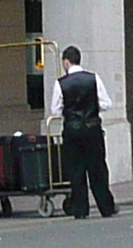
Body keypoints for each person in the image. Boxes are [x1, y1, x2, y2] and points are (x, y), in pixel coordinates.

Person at [48, 45, 116, 218]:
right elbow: (106, 104)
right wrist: (92, 107)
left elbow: (55, 110)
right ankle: (106, 207)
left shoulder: (60, 83)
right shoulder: (94, 79)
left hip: (72, 130)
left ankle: (80, 210)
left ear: (66, 62)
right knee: (98, 169)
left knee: (76, 171)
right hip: (92, 127)